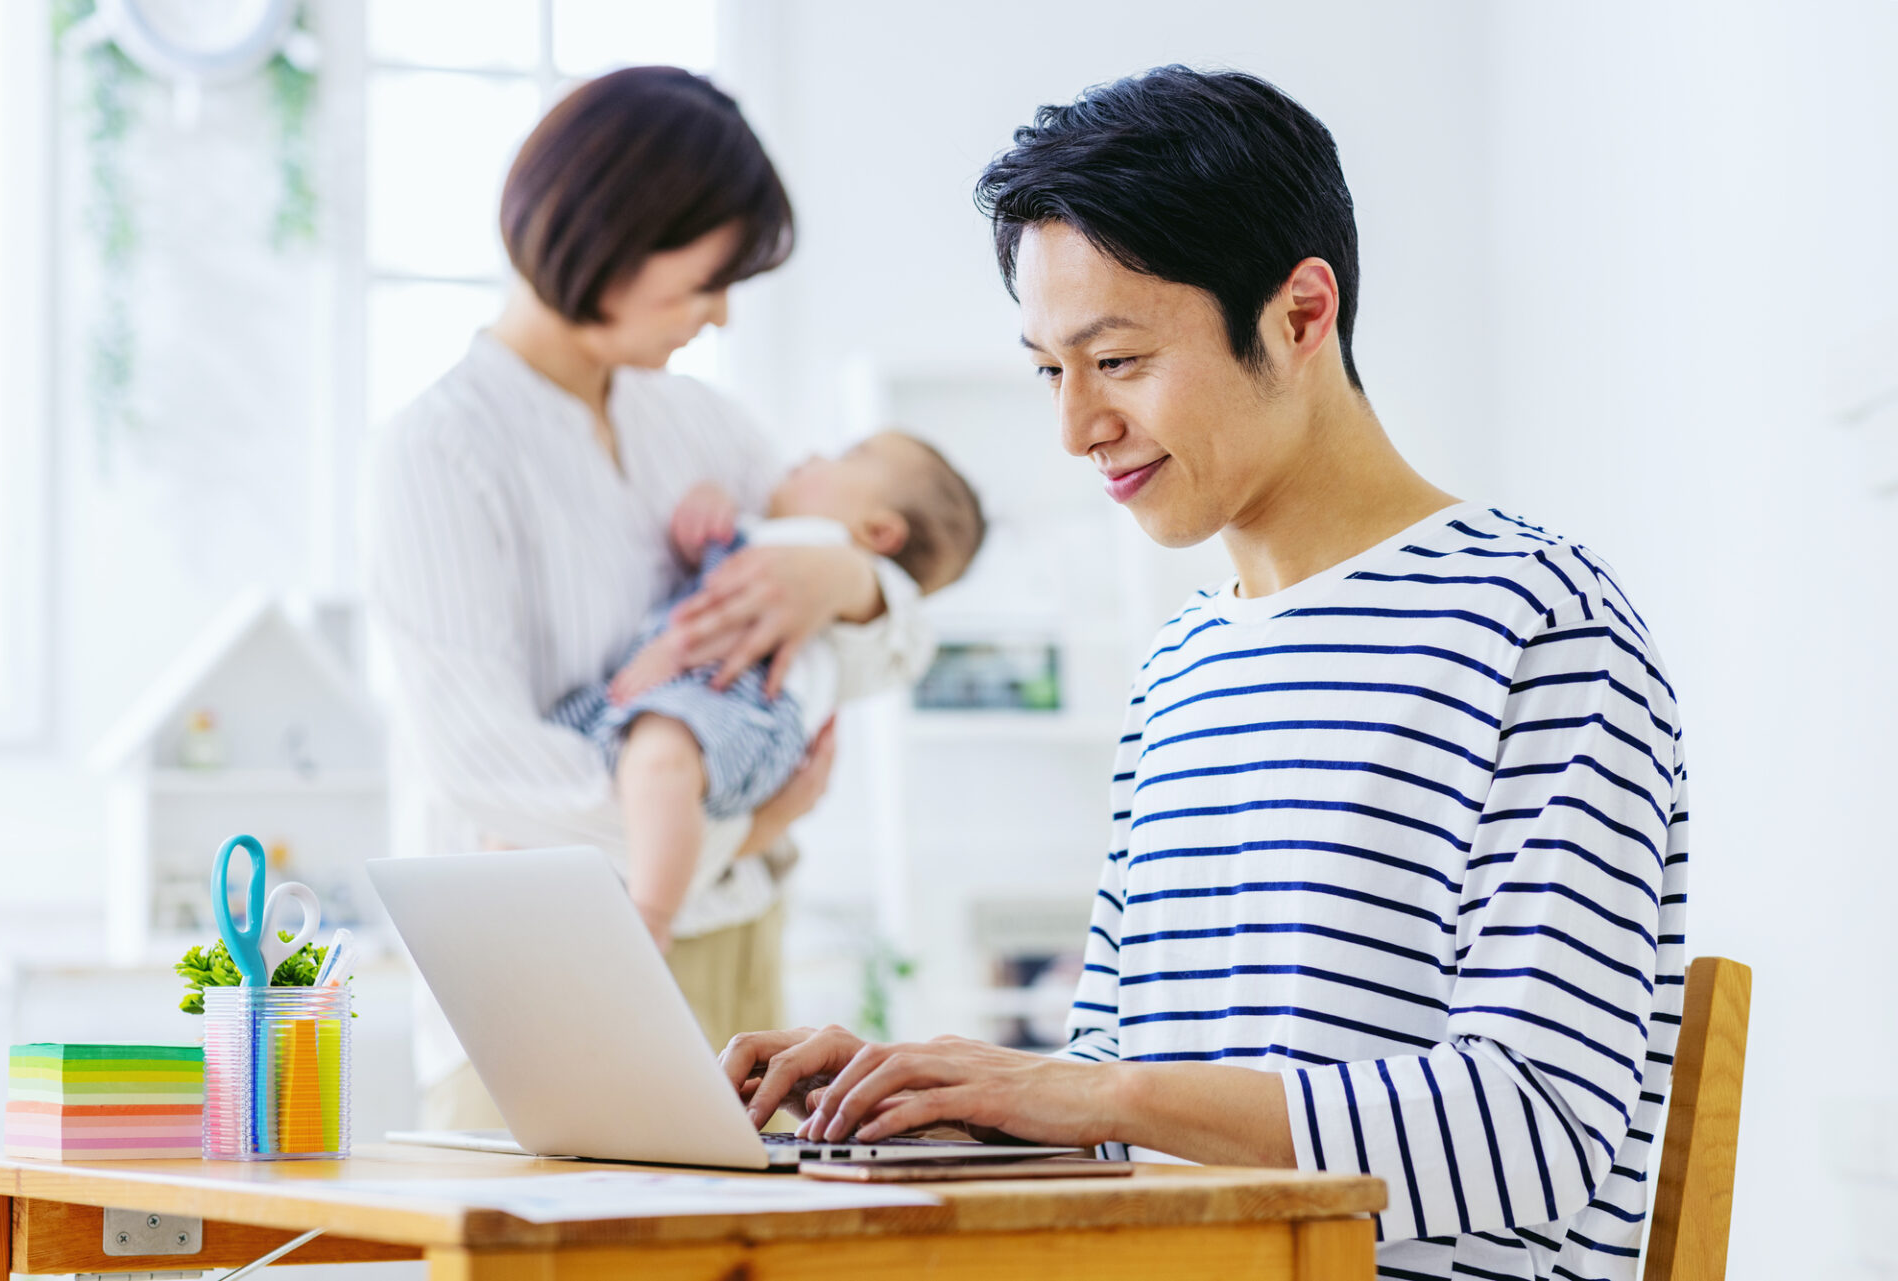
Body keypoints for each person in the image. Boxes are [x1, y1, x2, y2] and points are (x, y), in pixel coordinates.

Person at [720, 67, 1686, 1281]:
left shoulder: (1534, 624)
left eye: (1116, 360)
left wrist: (1078, 1095)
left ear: (1299, 313)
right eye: (1047, 371)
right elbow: (1122, 1115)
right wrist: (943, 1101)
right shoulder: (1185, 667)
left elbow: (1536, 1131)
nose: (1076, 428)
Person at [363, 66, 933, 1128]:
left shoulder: (707, 430)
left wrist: (844, 579)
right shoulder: (441, 449)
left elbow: (900, 646)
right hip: (539, 976)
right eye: (707, 281)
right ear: (610, 242)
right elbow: (485, 767)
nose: (717, 317)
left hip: (739, 954)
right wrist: (743, 828)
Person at [548, 432, 986, 950]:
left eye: (850, 457)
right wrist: (709, 516)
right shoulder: (776, 535)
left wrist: (678, 646)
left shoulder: (824, 552)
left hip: (732, 705)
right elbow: (718, 557)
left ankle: (651, 915)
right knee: (567, 770)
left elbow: (747, 616)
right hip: (670, 699)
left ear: (879, 530)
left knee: (659, 760)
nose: (815, 454)